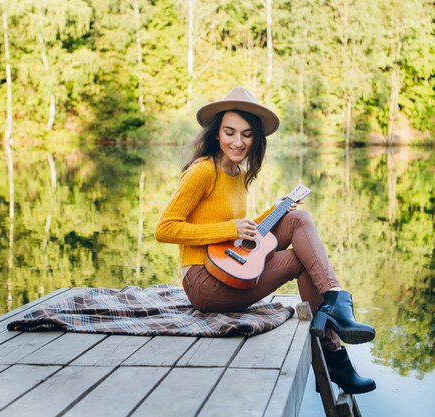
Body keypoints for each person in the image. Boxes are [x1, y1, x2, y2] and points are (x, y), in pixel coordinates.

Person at [155, 87, 376, 394]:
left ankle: (336, 301)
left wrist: (277, 209)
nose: (238, 142)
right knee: (302, 259)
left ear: (256, 138)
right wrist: (229, 229)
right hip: (203, 282)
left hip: (230, 268)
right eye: (229, 132)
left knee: (299, 218)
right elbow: (165, 229)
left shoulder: (238, 174)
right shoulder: (202, 171)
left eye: (246, 134)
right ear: (216, 133)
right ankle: (334, 351)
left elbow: (246, 233)